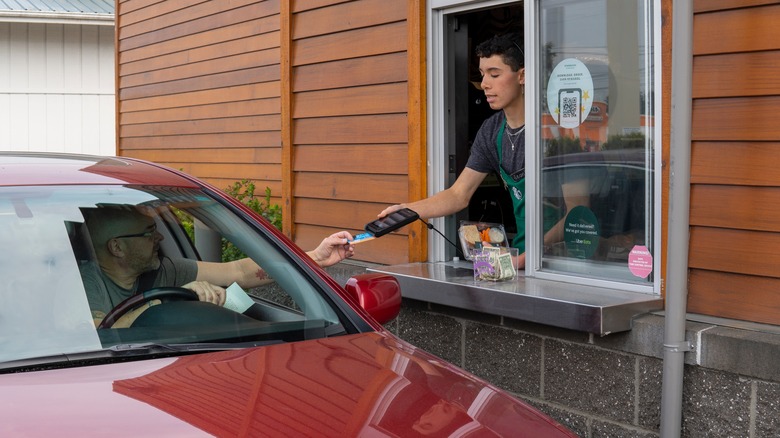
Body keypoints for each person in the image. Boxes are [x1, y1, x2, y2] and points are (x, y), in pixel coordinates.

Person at [378, 33, 585, 268]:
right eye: (482, 74)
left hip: (563, 261)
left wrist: (528, 256)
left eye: (494, 74)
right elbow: (458, 194)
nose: (485, 83)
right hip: (521, 256)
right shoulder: (491, 130)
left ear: (522, 76)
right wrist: (407, 210)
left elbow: (578, 212)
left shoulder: (555, 130)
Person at [80, 205, 355, 327]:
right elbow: (97, 332)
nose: (159, 237)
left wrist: (316, 257)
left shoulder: (164, 270)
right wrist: (165, 302)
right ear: (117, 247)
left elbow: (238, 272)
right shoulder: (82, 281)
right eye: (148, 232)